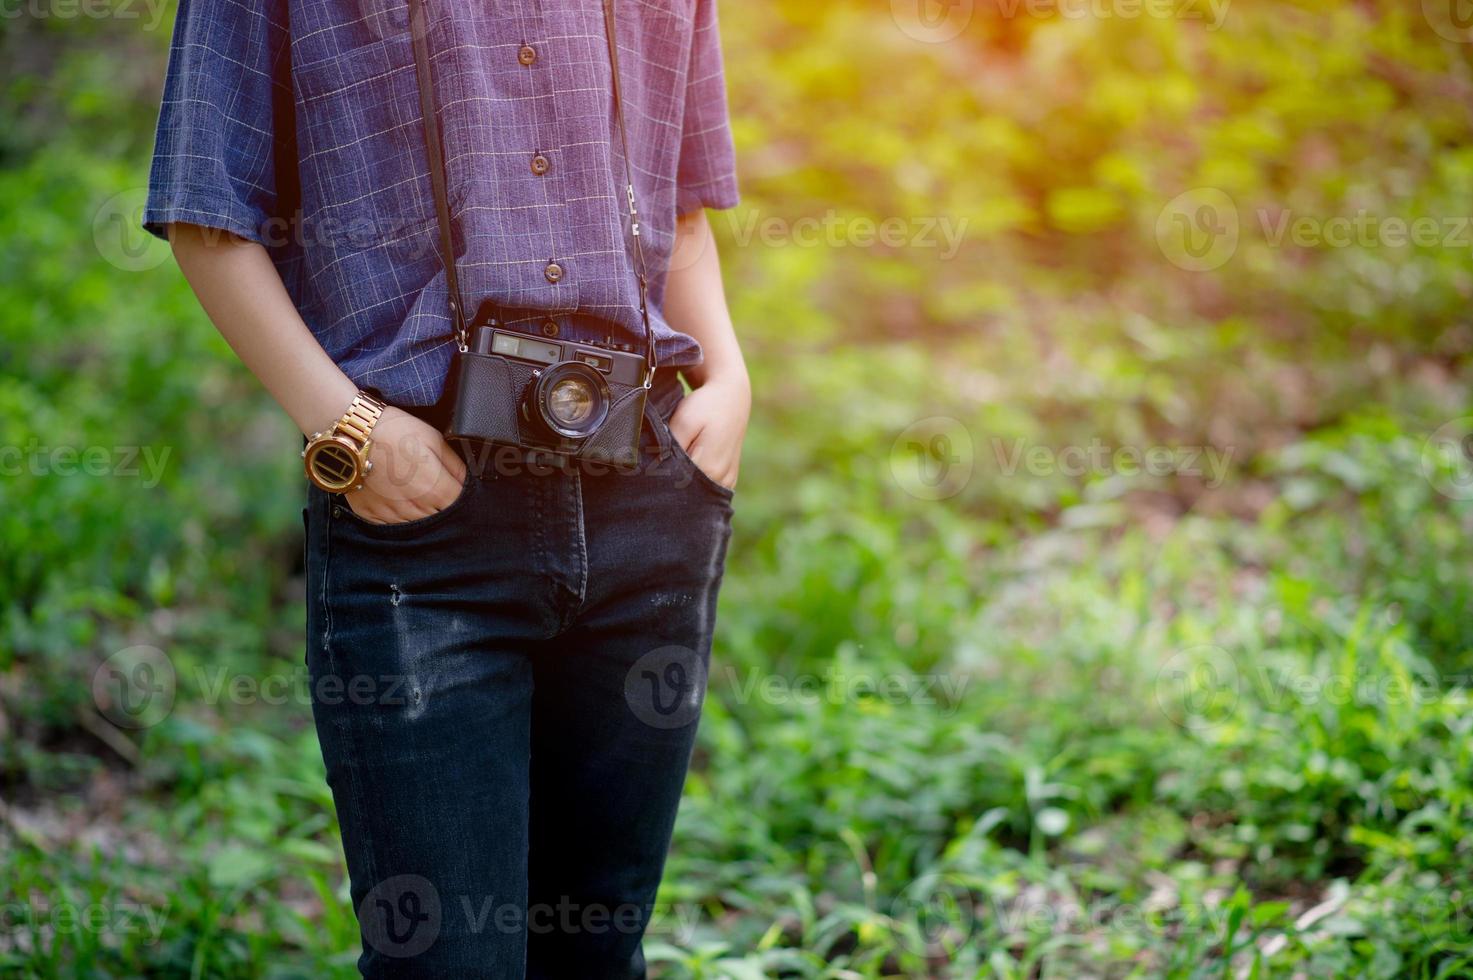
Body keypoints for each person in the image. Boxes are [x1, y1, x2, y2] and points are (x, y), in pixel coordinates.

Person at [144, 0, 747, 975]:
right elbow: (204, 212)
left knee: (597, 951)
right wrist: (346, 424)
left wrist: (730, 375)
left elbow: (682, 204)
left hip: (648, 505)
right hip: (422, 524)